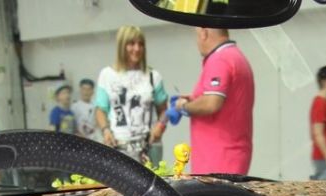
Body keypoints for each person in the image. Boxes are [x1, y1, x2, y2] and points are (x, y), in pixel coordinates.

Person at [174, 27, 254, 175]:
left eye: (197, 36)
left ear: (204, 33)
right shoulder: (236, 56)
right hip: (233, 155)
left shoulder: (219, 59)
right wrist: (195, 99)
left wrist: (183, 106)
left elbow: (211, 103)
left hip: (218, 158)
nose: (197, 42)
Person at [95, 26, 168, 164]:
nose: (137, 48)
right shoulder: (107, 75)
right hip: (118, 146)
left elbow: (164, 109)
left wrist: (160, 126)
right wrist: (105, 130)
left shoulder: (153, 76)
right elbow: (100, 109)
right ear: (122, 46)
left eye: (141, 44)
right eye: (131, 43)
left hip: (148, 147)